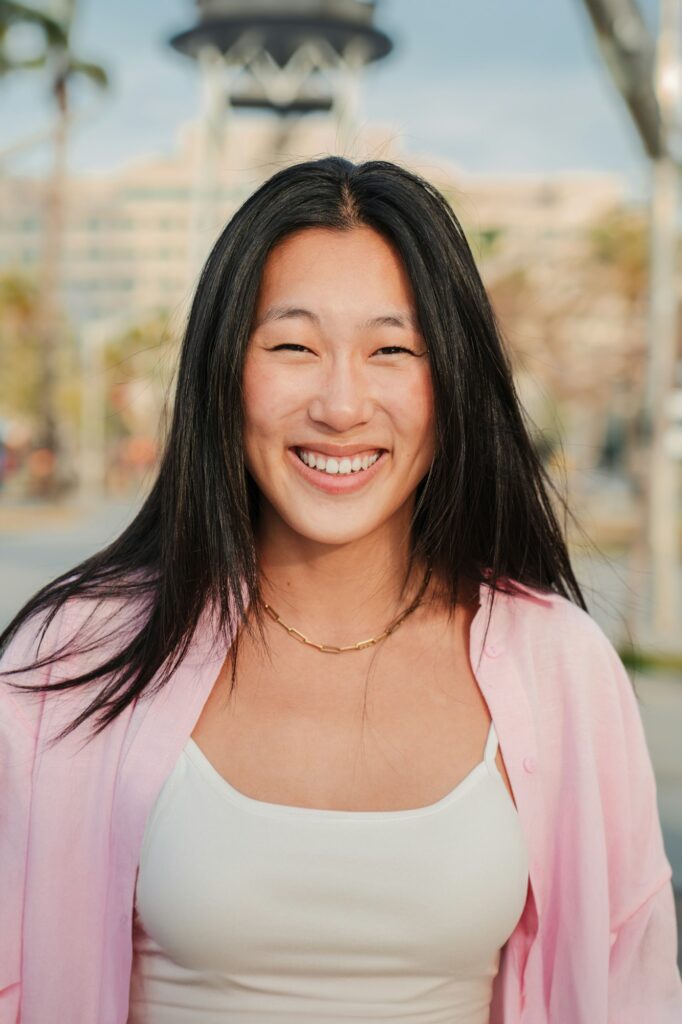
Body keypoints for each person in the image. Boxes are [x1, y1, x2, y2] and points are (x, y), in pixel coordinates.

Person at [1, 156, 680, 1024]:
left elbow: (631, 991)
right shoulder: (71, 659)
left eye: (392, 350)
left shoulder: (561, 667)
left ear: (451, 380)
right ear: (224, 369)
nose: (342, 404)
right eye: (294, 347)